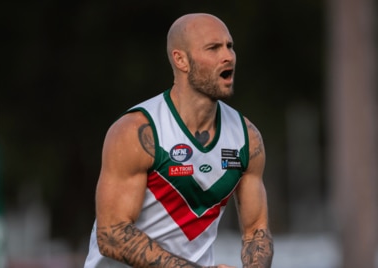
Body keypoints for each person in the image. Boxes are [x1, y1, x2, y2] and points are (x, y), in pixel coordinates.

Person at [84, 13, 273, 268]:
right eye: (213, 48)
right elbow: (112, 235)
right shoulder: (137, 131)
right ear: (181, 60)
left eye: (229, 46)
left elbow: (256, 232)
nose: (228, 56)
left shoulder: (247, 139)